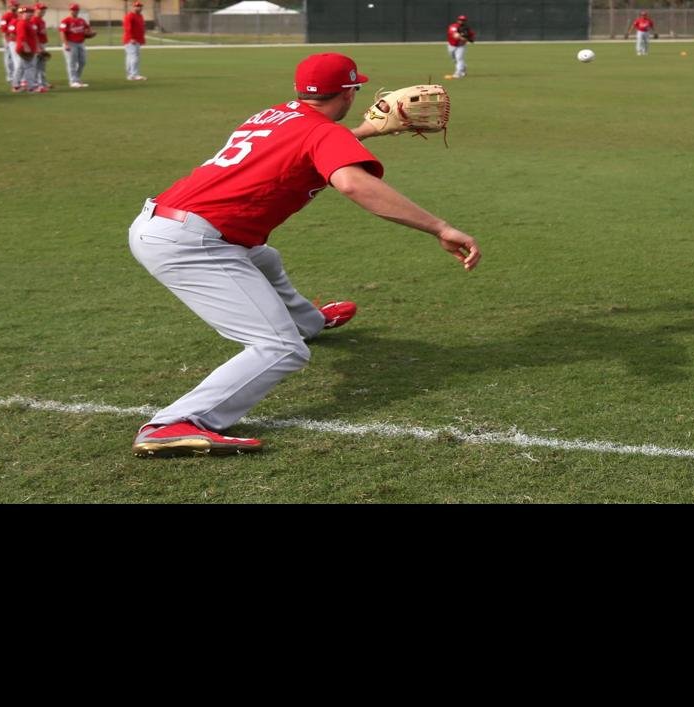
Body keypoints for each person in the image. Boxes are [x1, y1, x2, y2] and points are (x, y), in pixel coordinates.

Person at [127, 52, 482, 457]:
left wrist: (362, 131)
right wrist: (440, 226)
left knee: (266, 259)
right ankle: (175, 422)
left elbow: (309, 142)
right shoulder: (325, 135)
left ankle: (310, 322)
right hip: (193, 245)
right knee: (280, 349)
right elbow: (352, 183)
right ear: (348, 92)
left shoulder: (273, 115)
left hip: (168, 223)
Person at [58, 2, 92, 87]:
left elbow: (87, 30)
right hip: (70, 43)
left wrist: (90, 33)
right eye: (73, 10)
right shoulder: (65, 21)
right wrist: (66, 44)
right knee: (71, 63)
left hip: (81, 43)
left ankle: (77, 79)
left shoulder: (82, 20)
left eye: (76, 9)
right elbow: (62, 33)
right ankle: (73, 81)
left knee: (82, 62)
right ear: (70, 10)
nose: (74, 11)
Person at [15, 2, 46, 92]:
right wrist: (26, 46)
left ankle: (16, 85)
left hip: (30, 48)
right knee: (30, 67)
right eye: (28, 12)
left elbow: (34, 36)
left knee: (21, 67)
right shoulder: (22, 23)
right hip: (24, 48)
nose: (30, 14)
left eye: (31, 12)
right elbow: (21, 36)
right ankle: (31, 87)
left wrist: (38, 47)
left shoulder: (29, 23)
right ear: (22, 14)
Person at [443, 14, 472, 80]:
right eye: (460, 20)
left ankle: (458, 73)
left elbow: (471, 38)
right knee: (454, 59)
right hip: (451, 45)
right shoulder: (453, 26)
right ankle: (463, 68)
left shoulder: (467, 28)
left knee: (459, 58)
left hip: (461, 46)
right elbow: (455, 35)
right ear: (458, 20)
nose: (462, 21)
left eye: (463, 20)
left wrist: (467, 38)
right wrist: (462, 37)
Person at [0, 0, 19, 91]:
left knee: (14, 57)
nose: (17, 7)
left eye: (17, 5)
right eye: (15, 5)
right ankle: (10, 76)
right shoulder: (6, 16)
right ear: (10, 6)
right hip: (7, 38)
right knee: (8, 58)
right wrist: (6, 39)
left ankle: (14, 74)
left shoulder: (16, 15)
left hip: (14, 38)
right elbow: (3, 28)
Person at [122, 0, 145, 80]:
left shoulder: (140, 16)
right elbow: (127, 28)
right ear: (133, 7)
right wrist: (131, 38)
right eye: (136, 6)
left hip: (137, 40)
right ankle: (134, 74)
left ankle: (130, 74)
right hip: (131, 40)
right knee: (134, 57)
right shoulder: (130, 16)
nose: (138, 7)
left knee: (130, 57)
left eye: (139, 6)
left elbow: (141, 28)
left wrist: (142, 40)